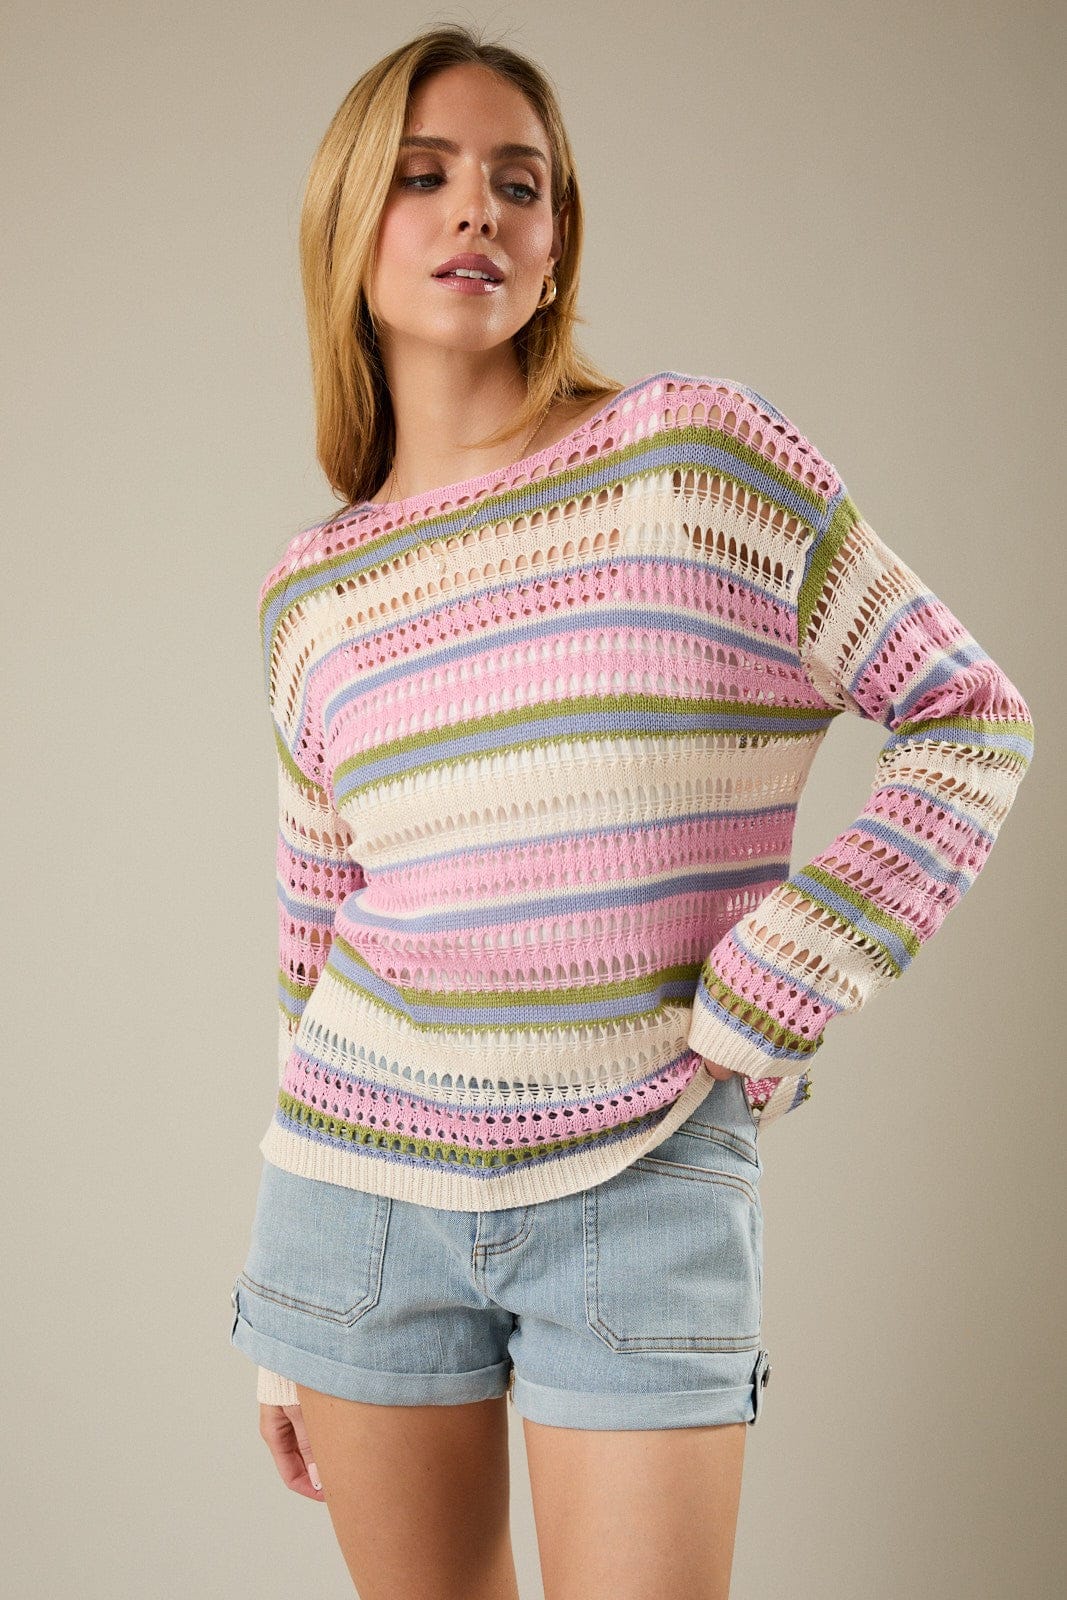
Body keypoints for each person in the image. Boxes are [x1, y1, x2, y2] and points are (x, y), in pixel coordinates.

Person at [228, 23, 1034, 1600]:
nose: (478, 208)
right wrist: (286, 1326)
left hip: (645, 1175)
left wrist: (779, 979)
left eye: (518, 182)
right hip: (353, 1207)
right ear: (347, 226)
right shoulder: (309, 595)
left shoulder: (696, 461)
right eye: (423, 175)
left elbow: (970, 718)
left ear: (556, 243)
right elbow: (310, 941)